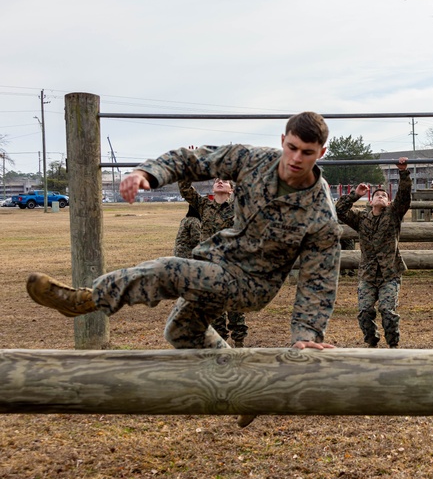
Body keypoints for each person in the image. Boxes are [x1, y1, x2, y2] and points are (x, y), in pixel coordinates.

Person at [25, 112, 340, 428]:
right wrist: (148, 172)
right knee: (181, 329)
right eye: (292, 147)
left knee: (167, 271)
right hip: (217, 260)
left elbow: (319, 278)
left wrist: (306, 334)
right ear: (282, 141)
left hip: (252, 284)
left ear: (321, 153)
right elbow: (195, 159)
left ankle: (87, 300)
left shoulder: (320, 212)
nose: (296, 158)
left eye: (307, 152)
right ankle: (243, 392)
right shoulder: (255, 159)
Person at [336, 159, 412, 348]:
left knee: (387, 310)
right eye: (377, 195)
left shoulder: (394, 214)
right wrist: (354, 195)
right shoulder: (362, 218)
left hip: (389, 274)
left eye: (384, 196)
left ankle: (393, 344)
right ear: (370, 201)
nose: (380, 197)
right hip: (368, 274)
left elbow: (404, 197)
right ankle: (372, 342)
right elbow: (339, 210)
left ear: (388, 202)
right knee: (364, 311)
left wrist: (403, 172)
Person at [179, 177, 247, 347]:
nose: (219, 181)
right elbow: (185, 189)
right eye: (216, 180)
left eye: (224, 181)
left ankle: (239, 345)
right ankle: (220, 346)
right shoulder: (204, 206)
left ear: (231, 190)